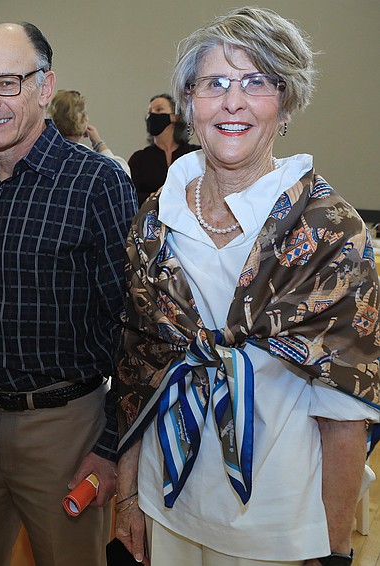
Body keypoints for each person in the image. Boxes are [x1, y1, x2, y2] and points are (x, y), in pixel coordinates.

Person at [113, 7, 380, 565]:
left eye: (257, 82)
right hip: (170, 502)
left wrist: (331, 549)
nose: (233, 101)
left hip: (280, 521)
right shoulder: (154, 221)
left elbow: (346, 409)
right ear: (189, 102)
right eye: (214, 83)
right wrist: (127, 499)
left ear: (285, 102)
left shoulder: (329, 232)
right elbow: (140, 367)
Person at [0, 22, 137, 566]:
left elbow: (132, 323)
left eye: (7, 83)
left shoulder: (96, 181)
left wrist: (109, 445)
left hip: (64, 427)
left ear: (46, 86)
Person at [128, 93, 199, 206]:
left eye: (159, 109)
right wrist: (155, 197)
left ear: (175, 117)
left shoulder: (195, 155)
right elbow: (129, 195)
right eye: (149, 112)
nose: (152, 115)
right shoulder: (139, 159)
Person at [46, 88, 131, 176]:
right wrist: (99, 143)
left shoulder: (44, 153)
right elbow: (122, 175)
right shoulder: (87, 158)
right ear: (83, 120)